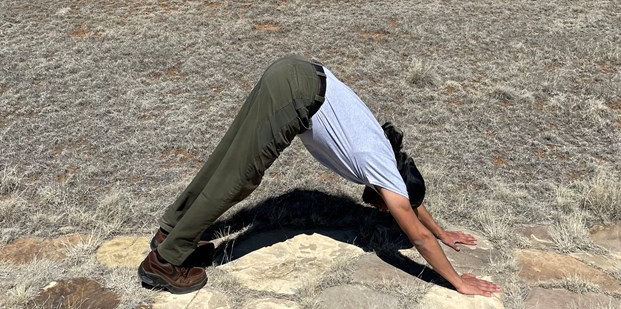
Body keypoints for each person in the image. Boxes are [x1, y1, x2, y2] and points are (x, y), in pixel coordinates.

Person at [138, 55, 500, 297]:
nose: (384, 210)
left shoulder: (388, 156)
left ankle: (170, 231)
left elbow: (412, 205)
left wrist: (444, 233)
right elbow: (415, 234)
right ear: (392, 192)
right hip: (297, 93)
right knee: (238, 178)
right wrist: (456, 281)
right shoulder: (378, 167)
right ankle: (165, 261)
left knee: (226, 161)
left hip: (294, 72)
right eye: (390, 207)